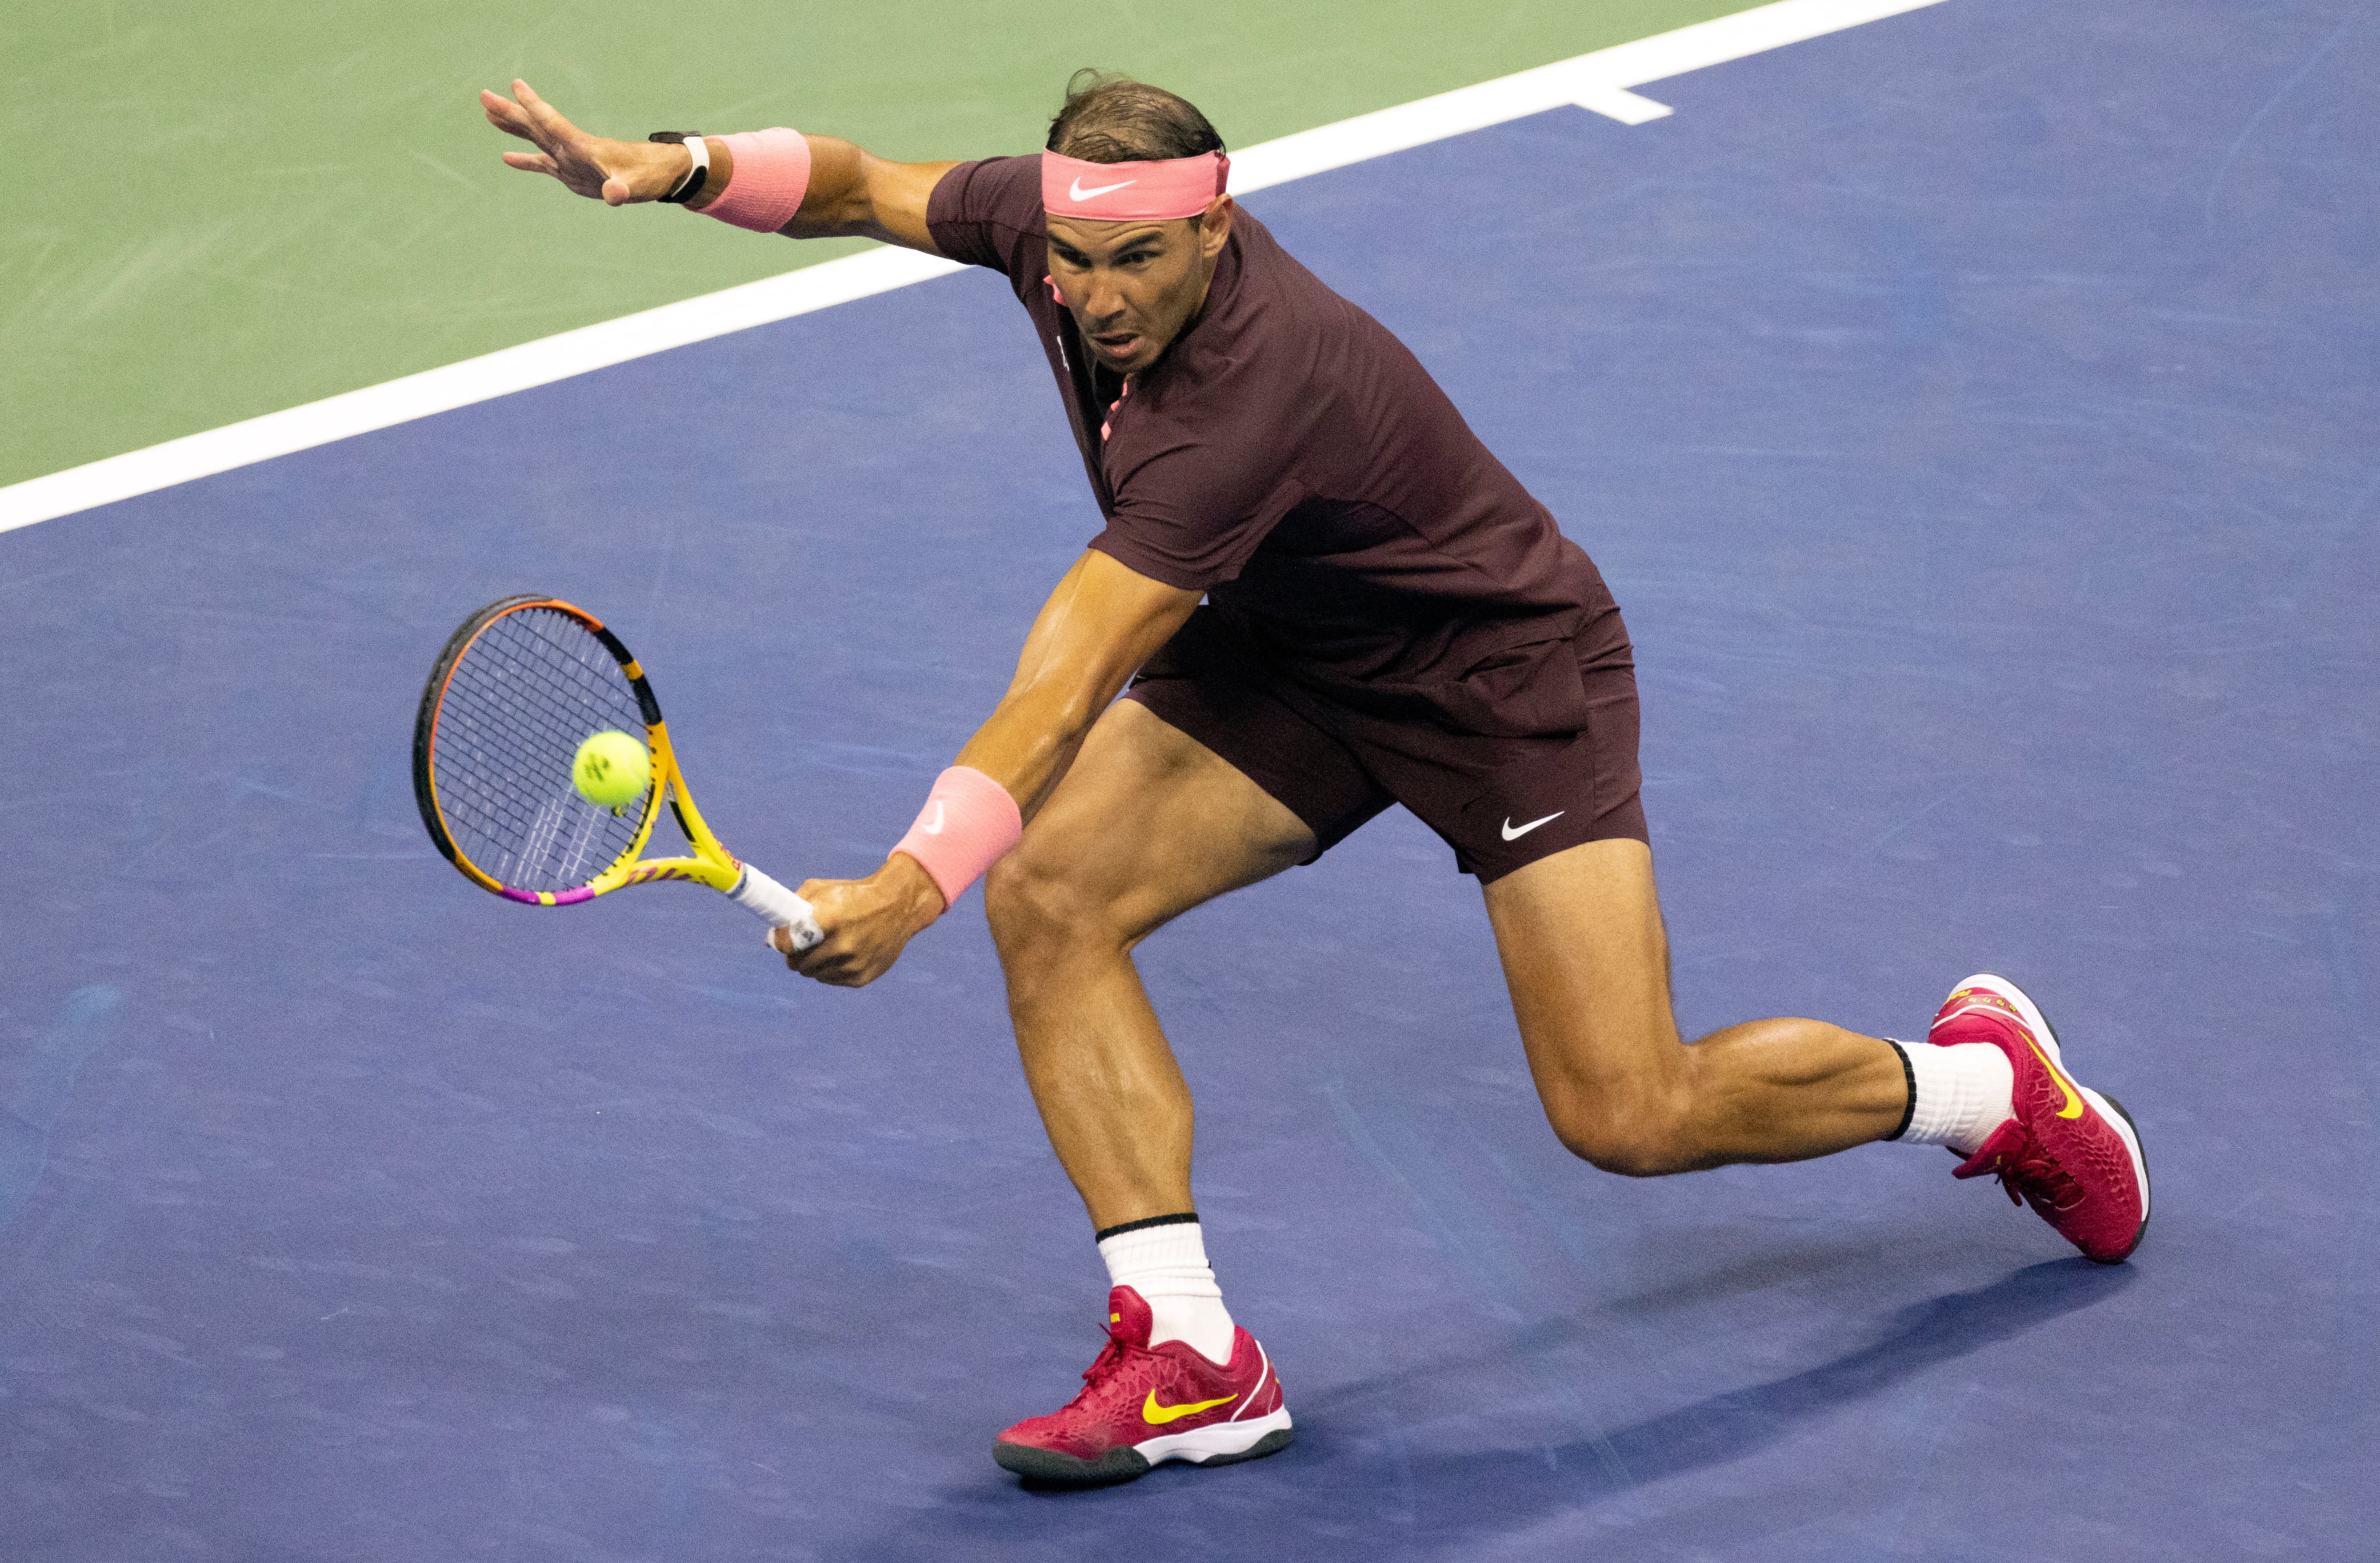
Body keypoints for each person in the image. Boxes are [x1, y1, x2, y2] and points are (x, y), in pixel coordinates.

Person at [479, 72, 2151, 1485]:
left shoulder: (1250, 398)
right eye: (1071, 257)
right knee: (1056, 898)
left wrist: (913, 883)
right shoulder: (1058, 234)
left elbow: (1066, 677)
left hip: (1498, 677)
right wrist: (671, 169)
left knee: (1628, 1113)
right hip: (1296, 648)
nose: (1100, 292)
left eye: (1139, 258)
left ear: (1216, 227)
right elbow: (854, 184)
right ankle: (1193, 1349)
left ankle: (1991, 1090)